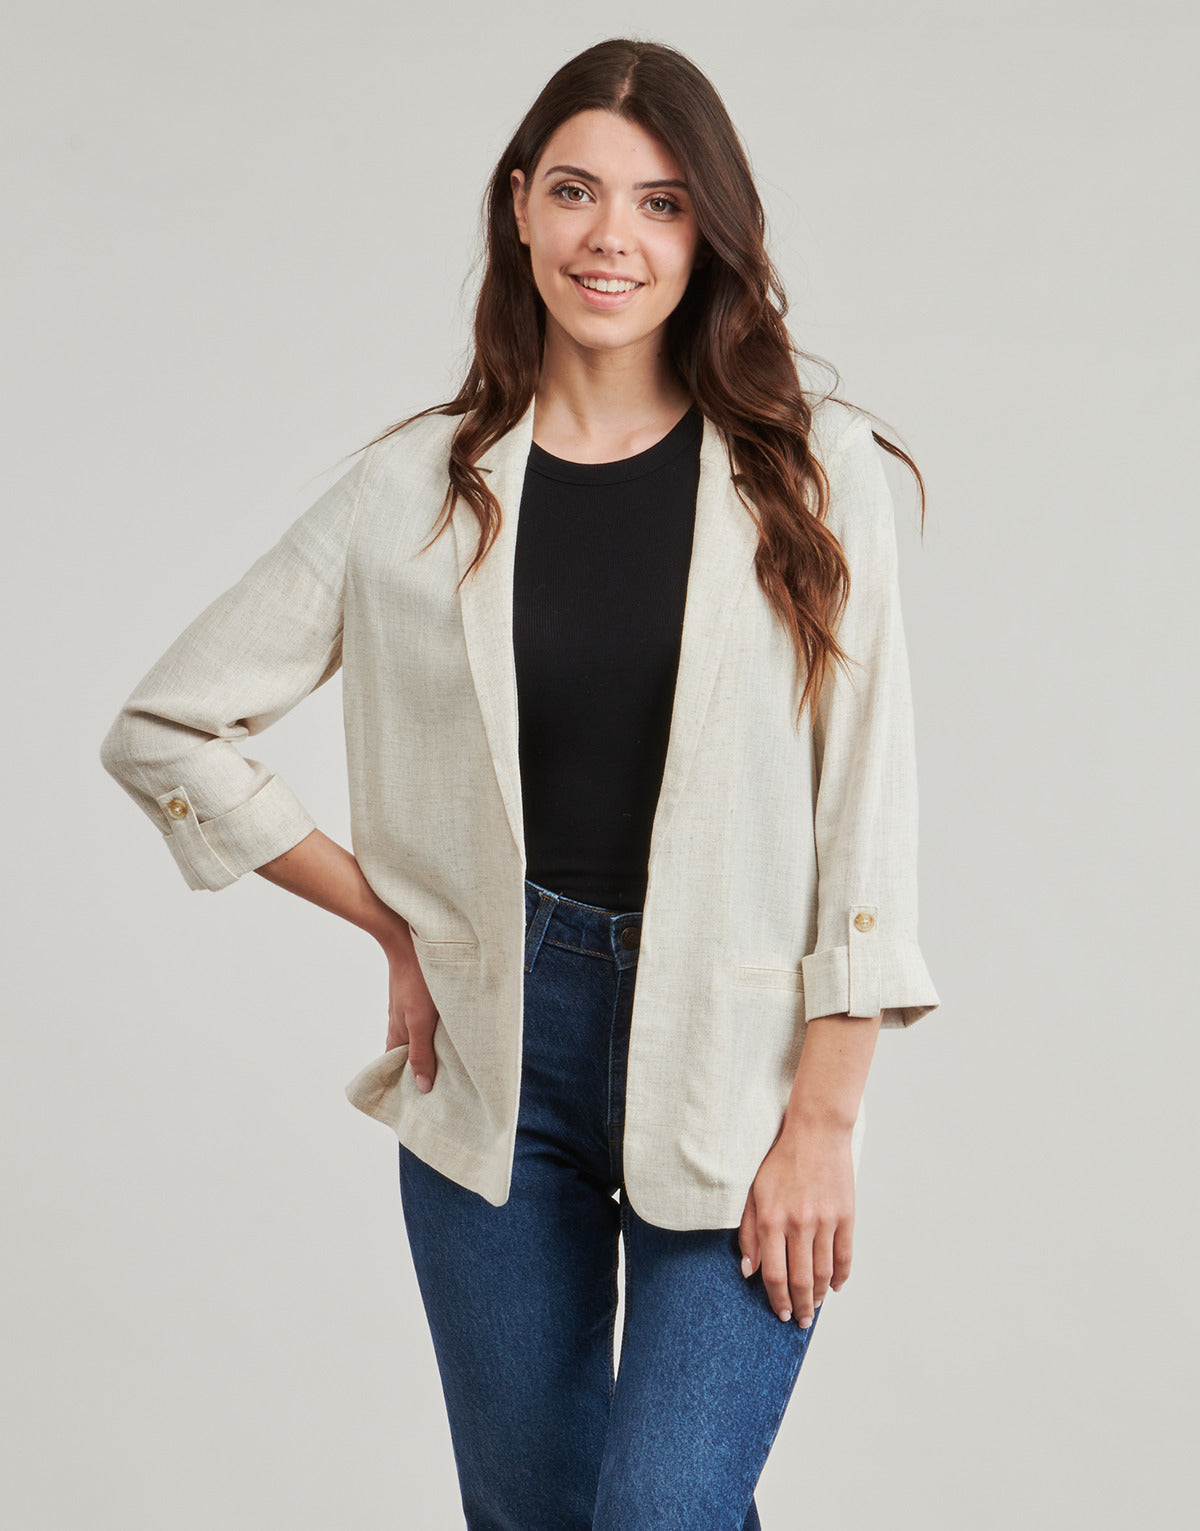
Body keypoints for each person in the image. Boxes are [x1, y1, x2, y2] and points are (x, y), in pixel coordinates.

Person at [99, 36, 940, 1531]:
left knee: (664, 1512)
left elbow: (864, 811)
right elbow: (169, 726)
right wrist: (393, 922)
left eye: (661, 202)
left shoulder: (813, 470)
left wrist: (826, 1118)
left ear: (710, 231)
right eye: (575, 191)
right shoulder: (414, 489)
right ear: (519, 207)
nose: (612, 237)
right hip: (498, 1062)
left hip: (741, 1062)